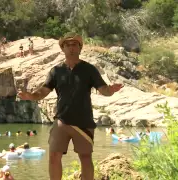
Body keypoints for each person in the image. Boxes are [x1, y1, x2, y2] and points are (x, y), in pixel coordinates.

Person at [17, 32, 123, 180]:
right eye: (67, 45)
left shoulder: (89, 69)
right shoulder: (56, 71)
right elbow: (43, 91)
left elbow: (103, 90)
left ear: (80, 48)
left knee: (85, 157)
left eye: (75, 44)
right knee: (54, 155)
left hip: (84, 121)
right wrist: (31, 96)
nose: (71, 48)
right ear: (63, 49)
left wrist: (111, 90)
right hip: (62, 121)